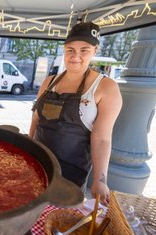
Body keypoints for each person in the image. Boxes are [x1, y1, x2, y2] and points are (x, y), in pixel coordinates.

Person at [28, 22, 122, 205]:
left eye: (84, 50)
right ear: (64, 49)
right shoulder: (49, 82)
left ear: (95, 50)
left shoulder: (106, 87)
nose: (75, 56)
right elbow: (36, 119)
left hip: (71, 175)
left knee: (60, 220)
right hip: (37, 165)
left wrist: (100, 180)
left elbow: (102, 138)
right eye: (70, 49)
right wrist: (26, 150)